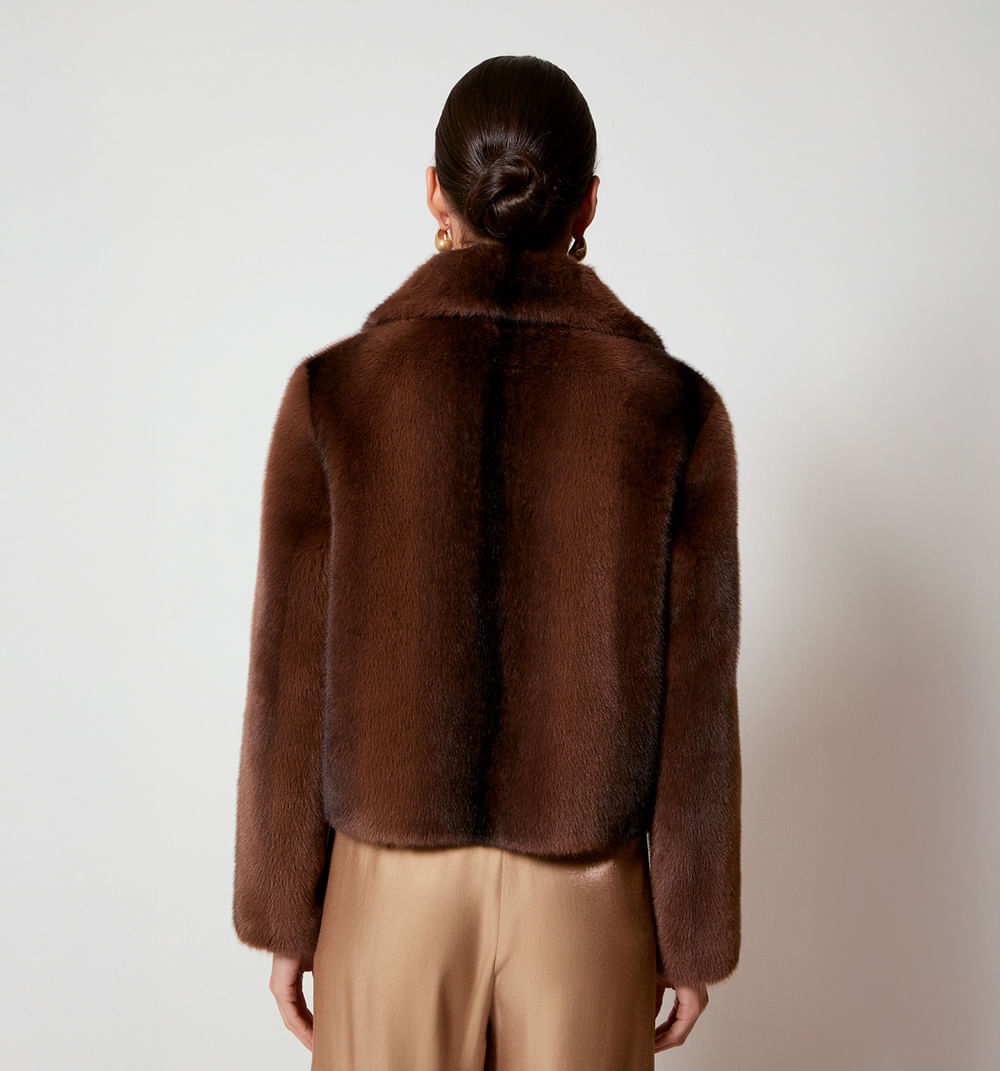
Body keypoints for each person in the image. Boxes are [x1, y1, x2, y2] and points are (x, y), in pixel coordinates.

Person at [232, 54, 741, 1070]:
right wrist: (692, 934)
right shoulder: (673, 410)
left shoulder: (335, 393)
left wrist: (285, 908)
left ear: (434, 191)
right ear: (587, 201)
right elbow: (696, 699)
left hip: (387, 891)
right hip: (585, 897)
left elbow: (290, 671)